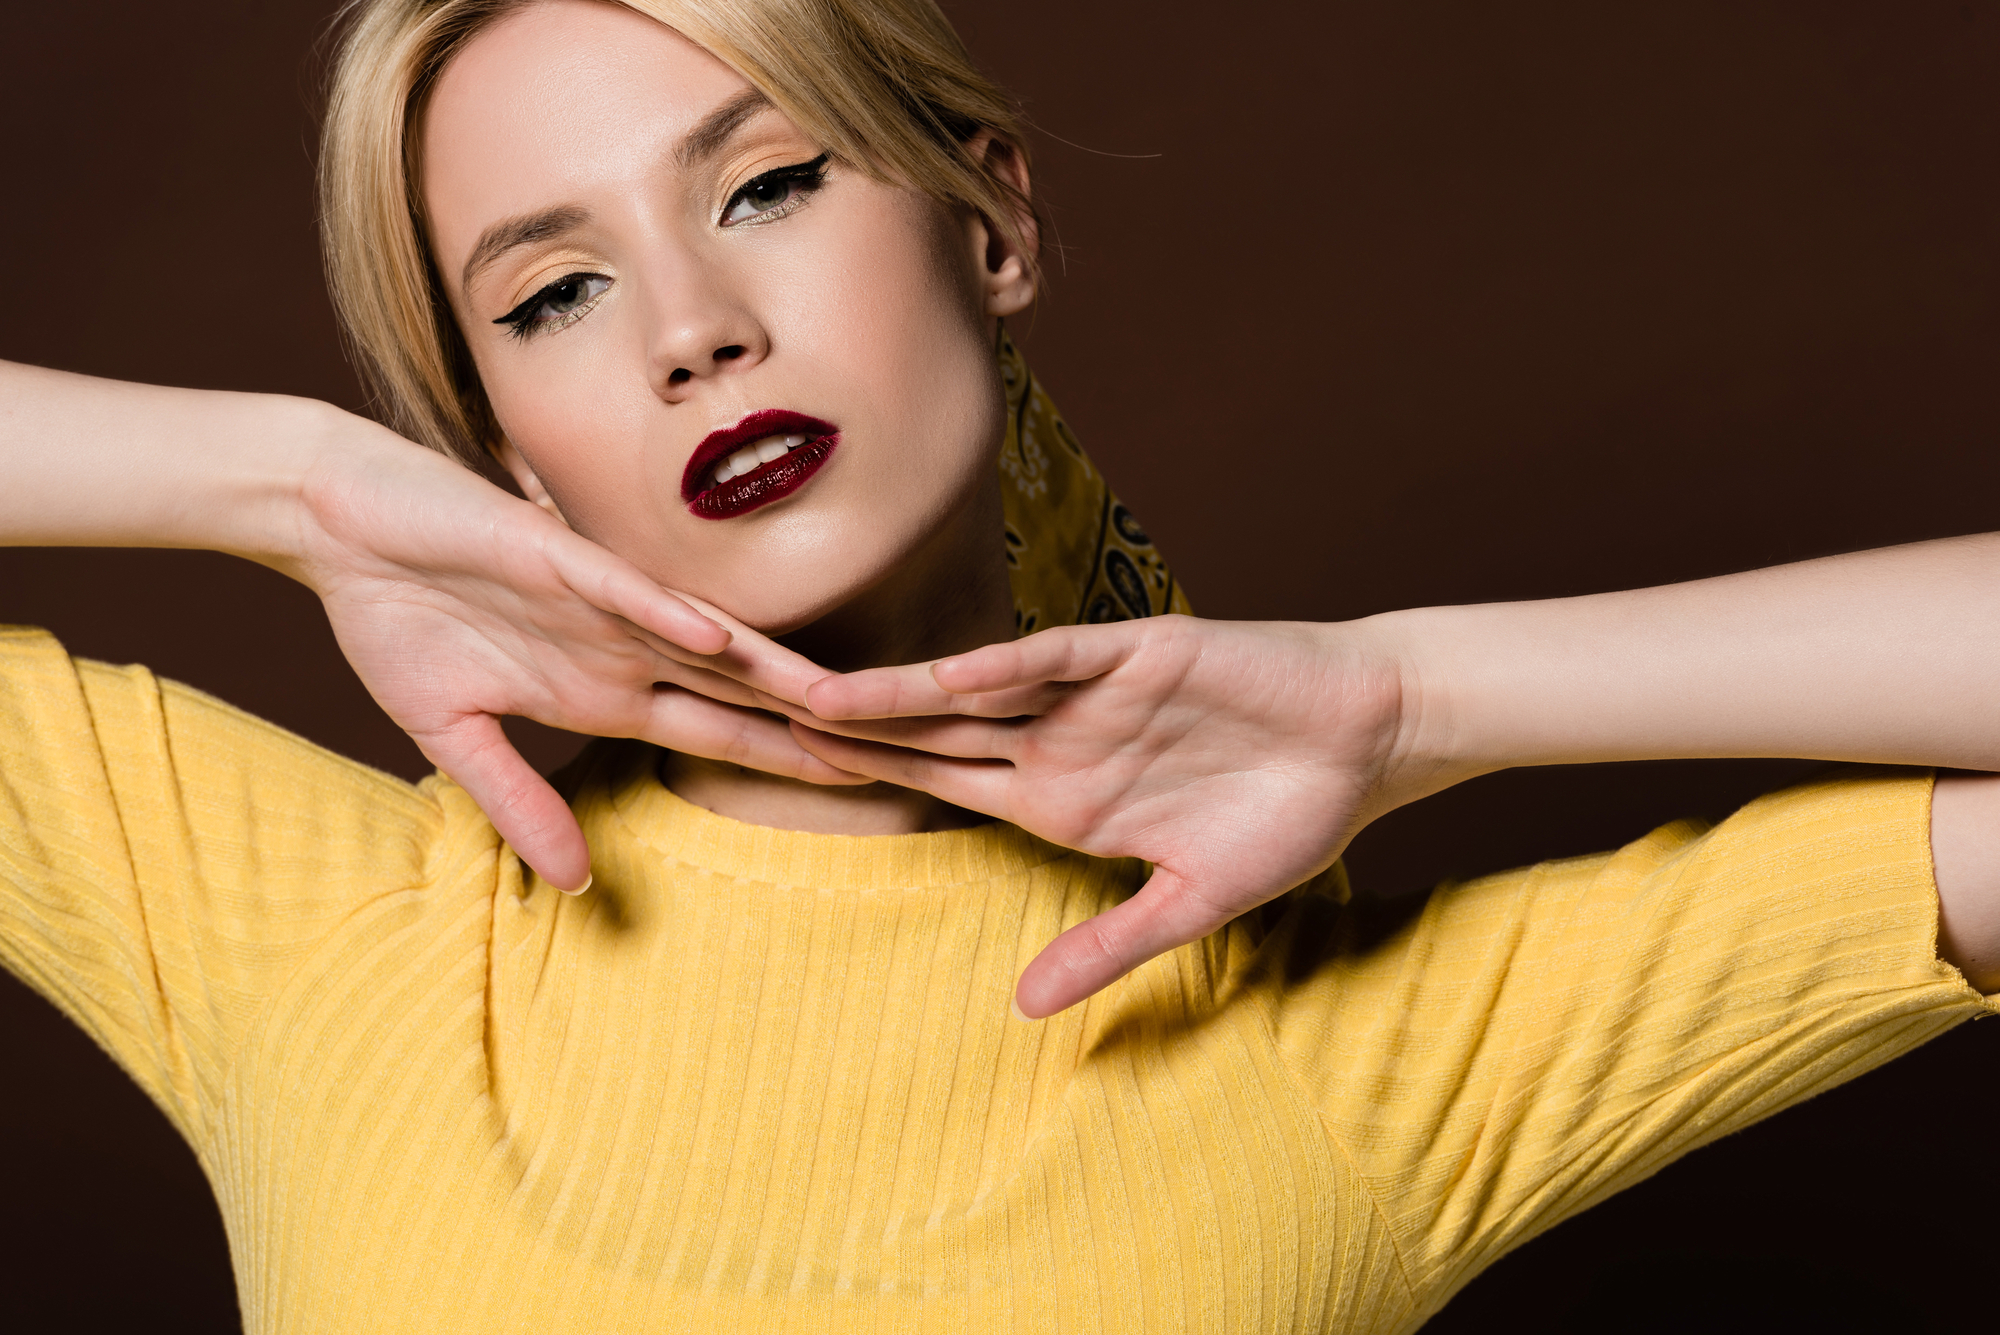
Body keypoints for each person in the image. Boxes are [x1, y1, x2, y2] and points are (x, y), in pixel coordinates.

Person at [1, 0, 1994, 1330]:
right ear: (503, 442)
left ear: (990, 219)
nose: (689, 327)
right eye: (558, 289)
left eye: (765, 183)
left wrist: (1413, 701)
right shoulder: (299, 925)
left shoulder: (1363, 1062)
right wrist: (287, 486)